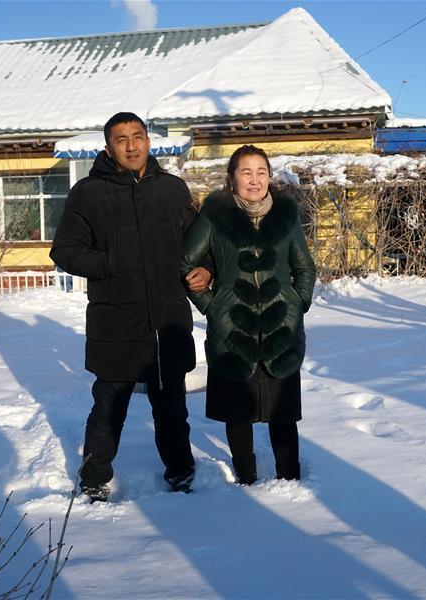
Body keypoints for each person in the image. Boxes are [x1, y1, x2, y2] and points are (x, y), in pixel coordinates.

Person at [50, 112, 210, 502]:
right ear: (108, 148)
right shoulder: (88, 193)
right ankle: (94, 477)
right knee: (108, 408)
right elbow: (65, 251)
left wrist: (206, 269)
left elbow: (197, 245)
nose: (132, 145)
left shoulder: (173, 190)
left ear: (148, 142)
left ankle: (181, 471)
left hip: (167, 319)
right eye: (121, 139)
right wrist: (109, 263)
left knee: (172, 408)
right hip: (115, 321)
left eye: (138, 136)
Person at [182, 145, 316, 484]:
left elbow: (305, 267)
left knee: (282, 412)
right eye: (246, 172)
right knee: (237, 412)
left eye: (261, 172)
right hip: (232, 328)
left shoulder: (285, 215)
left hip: (280, 328)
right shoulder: (214, 215)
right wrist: (212, 306)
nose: (254, 180)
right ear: (232, 178)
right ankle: (245, 477)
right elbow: (186, 263)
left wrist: (296, 304)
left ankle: (290, 477)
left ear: (269, 177)